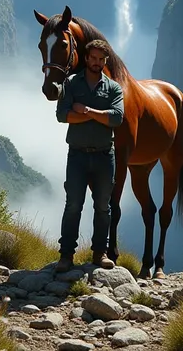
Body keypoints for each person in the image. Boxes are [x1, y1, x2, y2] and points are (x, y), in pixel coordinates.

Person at [55, 39, 124, 272]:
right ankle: (66, 256)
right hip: (77, 156)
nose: (96, 63)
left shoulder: (113, 87)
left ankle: (99, 253)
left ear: (105, 61)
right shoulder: (71, 83)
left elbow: (117, 118)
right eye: (93, 58)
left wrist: (84, 110)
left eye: (101, 60)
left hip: (105, 156)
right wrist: (98, 115)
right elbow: (62, 115)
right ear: (86, 58)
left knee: (103, 206)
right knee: (73, 204)